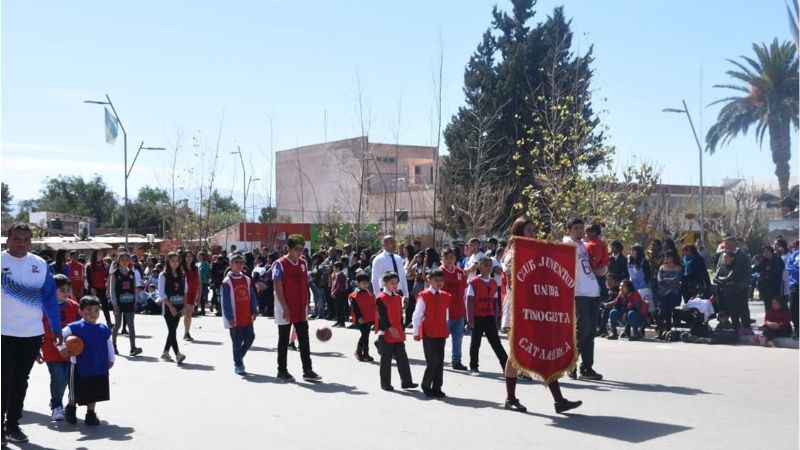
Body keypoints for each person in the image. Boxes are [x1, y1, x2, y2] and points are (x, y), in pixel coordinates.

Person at [500, 217, 581, 413]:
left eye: (535, 230)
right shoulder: (512, 254)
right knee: (516, 353)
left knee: (544, 349)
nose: (534, 234)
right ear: (519, 232)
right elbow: (514, 280)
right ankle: (510, 398)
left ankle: (559, 400)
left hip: (537, 309)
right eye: (529, 230)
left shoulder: (536, 253)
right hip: (519, 308)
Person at [2, 223, 62, 445]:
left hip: (31, 333)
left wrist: (55, 327)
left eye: (26, 239)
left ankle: (13, 426)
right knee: (3, 380)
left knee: (20, 380)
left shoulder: (39, 264)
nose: (22, 243)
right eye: (17, 238)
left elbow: (49, 298)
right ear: (7, 240)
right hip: (3, 333)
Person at [273, 234, 321, 382]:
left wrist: (308, 301)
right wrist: (284, 307)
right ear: (289, 248)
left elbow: (305, 283)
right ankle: (282, 370)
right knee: (283, 340)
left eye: (302, 249)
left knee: (304, 340)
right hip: (285, 308)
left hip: (301, 307)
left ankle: (307, 370)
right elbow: (277, 286)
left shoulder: (303, 263)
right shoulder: (280, 264)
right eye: (297, 249)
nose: (300, 252)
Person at [61, 296, 114, 426]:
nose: (93, 313)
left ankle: (91, 414)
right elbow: (58, 336)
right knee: (76, 390)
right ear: (80, 311)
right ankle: (71, 408)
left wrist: (111, 358)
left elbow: (109, 344)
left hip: (98, 365)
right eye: (89, 310)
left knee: (94, 391)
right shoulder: (74, 327)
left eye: (96, 310)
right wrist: (62, 349)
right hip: (79, 365)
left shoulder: (103, 328)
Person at [564, 218, 603, 381]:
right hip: (579, 293)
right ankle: (570, 363)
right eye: (576, 228)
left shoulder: (584, 246)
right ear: (568, 230)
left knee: (590, 333)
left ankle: (587, 367)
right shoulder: (567, 245)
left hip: (592, 292)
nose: (579, 231)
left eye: (581, 228)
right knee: (582, 330)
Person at [39, 274, 80, 422]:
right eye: (62, 289)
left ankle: (67, 405)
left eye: (68, 289)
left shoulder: (74, 306)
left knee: (69, 379)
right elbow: (38, 330)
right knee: (59, 377)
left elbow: (81, 327)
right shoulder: (42, 307)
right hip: (50, 349)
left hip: (71, 350)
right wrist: (36, 350)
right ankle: (56, 406)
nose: (66, 292)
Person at [375, 271, 418, 391]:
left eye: (396, 283)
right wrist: (389, 327)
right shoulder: (381, 298)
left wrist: (402, 328)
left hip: (397, 332)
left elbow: (399, 315)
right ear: (385, 283)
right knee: (386, 360)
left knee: (402, 358)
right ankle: (385, 383)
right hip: (386, 333)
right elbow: (382, 316)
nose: (395, 285)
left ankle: (406, 382)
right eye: (392, 283)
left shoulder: (398, 297)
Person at [412, 269, 450, 397]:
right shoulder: (424, 295)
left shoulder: (445, 296)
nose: (439, 283)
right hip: (429, 331)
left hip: (441, 331)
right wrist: (416, 332)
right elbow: (417, 315)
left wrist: (447, 327)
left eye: (441, 280)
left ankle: (437, 387)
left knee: (440, 361)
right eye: (436, 280)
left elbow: (446, 314)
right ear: (429, 280)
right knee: (432, 360)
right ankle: (426, 385)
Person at [466, 257, 507, 375]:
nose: (488, 267)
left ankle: (506, 366)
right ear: (479, 266)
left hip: (489, 316)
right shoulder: (474, 282)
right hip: (477, 317)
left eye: (490, 265)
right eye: (485, 265)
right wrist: (470, 319)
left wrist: (495, 318)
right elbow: (469, 301)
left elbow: (495, 302)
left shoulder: (494, 282)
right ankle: (473, 367)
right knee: (475, 343)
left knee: (496, 342)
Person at [221, 254, 258, 375]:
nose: (239, 265)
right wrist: (230, 317)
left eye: (241, 262)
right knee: (236, 342)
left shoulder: (247, 279)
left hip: (247, 316)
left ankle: (238, 356)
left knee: (250, 337)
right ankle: (238, 364)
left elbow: (252, 296)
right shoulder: (227, 282)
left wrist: (254, 310)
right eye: (236, 262)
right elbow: (225, 302)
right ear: (231, 265)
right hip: (235, 319)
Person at [108, 253, 142, 356]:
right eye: (122, 259)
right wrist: (114, 304)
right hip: (118, 303)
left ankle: (133, 347)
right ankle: (113, 345)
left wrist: (135, 301)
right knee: (117, 324)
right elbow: (112, 290)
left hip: (130, 302)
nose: (125, 261)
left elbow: (134, 288)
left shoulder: (132, 273)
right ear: (118, 261)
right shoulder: (115, 274)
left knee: (131, 325)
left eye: (127, 259)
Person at [714, 234, 752, 327]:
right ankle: (725, 328)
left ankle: (745, 329)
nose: (725, 245)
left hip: (738, 289)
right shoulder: (722, 255)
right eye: (725, 243)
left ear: (734, 244)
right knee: (724, 310)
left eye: (727, 243)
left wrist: (742, 285)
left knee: (742, 310)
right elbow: (718, 268)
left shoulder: (743, 256)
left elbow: (748, 272)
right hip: (724, 289)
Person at [441, 248, 468, 371]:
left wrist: (466, 310)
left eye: (452, 257)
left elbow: (465, 292)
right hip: (444, 312)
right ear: (442, 259)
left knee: (458, 339)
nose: (449, 260)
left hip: (459, 311)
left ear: (455, 259)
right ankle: (438, 359)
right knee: (441, 338)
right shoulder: (439, 273)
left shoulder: (460, 273)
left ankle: (456, 361)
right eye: (446, 258)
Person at [158, 252, 187, 364]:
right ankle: (178, 354)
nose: (175, 263)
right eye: (172, 260)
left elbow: (185, 291)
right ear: (168, 262)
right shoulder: (163, 275)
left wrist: (184, 306)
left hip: (179, 305)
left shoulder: (182, 275)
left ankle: (165, 351)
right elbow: (161, 293)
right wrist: (170, 306)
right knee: (172, 330)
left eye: (177, 260)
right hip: (168, 306)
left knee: (172, 330)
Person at [370, 235, 409, 302]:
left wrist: (406, 295)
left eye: (394, 242)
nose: (394, 244)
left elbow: (402, 277)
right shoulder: (379, 259)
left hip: (399, 293)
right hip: (385, 294)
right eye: (391, 242)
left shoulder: (398, 258)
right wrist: (378, 297)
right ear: (384, 245)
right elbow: (374, 280)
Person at [655, 249, 683, 334]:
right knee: (663, 311)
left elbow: (676, 280)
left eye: (668, 256)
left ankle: (672, 329)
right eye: (665, 256)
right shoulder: (662, 267)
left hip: (673, 293)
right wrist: (666, 283)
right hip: (663, 293)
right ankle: (663, 330)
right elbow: (659, 280)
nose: (666, 258)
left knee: (673, 310)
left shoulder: (678, 267)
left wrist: (665, 280)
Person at [349, 273, 376, 362]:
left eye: (367, 283)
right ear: (358, 283)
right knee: (365, 334)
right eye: (363, 283)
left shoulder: (368, 292)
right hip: (360, 318)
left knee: (366, 335)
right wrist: (359, 317)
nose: (365, 285)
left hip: (368, 318)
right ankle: (360, 352)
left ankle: (365, 353)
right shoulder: (355, 294)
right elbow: (354, 306)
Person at [753, 246, 785, 314]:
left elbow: (778, 271)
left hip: (775, 287)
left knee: (776, 305)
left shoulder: (777, 260)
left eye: (766, 252)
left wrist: (769, 271)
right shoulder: (763, 261)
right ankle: (768, 321)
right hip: (765, 287)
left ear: (771, 252)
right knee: (767, 305)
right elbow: (757, 269)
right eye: (764, 252)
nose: (765, 254)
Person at [85, 249, 113, 327]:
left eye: (101, 254)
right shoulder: (89, 266)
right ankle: (89, 321)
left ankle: (109, 322)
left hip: (102, 288)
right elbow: (88, 278)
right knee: (91, 306)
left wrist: (107, 288)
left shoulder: (105, 265)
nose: (101, 256)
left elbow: (107, 277)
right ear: (95, 255)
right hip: (93, 289)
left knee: (105, 306)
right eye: (99, 254)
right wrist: (92, 288)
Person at [181, 250, 201, 341]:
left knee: (189, 314)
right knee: (187, 314)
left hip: (193, 294)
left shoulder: (196, 269)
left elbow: (199, 284)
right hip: (185, 294)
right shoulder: (182, 269)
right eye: (187, 256)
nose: (189, 258)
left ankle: (187, 332)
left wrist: (199, 296)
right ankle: (186, 333)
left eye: (190, 256)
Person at [786, 241, 800, 339]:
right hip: (795, 285)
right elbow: (788, 266)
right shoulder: (795, 255)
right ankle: (797, 329)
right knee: (793, 308)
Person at [330, 261, 349, 328]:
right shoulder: (336, 274)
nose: (333, 268)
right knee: (337, 308)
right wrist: (332, 291)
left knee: (341, 308)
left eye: (334, 267)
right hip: (336, 293)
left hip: (340, 293)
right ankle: (338, 321)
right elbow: (334, 284)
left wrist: (334, 292)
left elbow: (339, 286)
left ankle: (342, 322)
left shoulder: (341, 275)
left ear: (338, 267)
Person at [197, 251, 211, 316]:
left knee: (202, 296)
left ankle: (203, 310)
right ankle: (197, 309)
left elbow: (209, 272)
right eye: (198, 255)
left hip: (203, 282)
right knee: (197, 296)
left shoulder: (206, 263)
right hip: (197, 282)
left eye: (200, 255)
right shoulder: (197, 264)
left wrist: (209, 280)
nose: (199, 257)